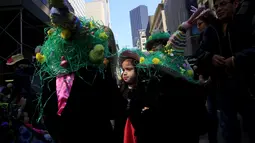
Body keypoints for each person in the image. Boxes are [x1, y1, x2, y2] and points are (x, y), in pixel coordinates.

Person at [204, 0, 255, 142]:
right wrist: (210, 58)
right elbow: (200, 56)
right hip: (223, 89)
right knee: (229, 132)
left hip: (248, 87)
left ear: (235, 4)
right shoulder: (212, 29)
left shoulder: (246, 21)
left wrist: (235, 60)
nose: (219, 9)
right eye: (216, 6)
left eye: (223, 4)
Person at [113, 50, 159, 143]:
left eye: (129, 69)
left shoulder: (145, 89)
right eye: (123, 70)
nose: (124, 73)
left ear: (138, 69)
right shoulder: (121, 90)